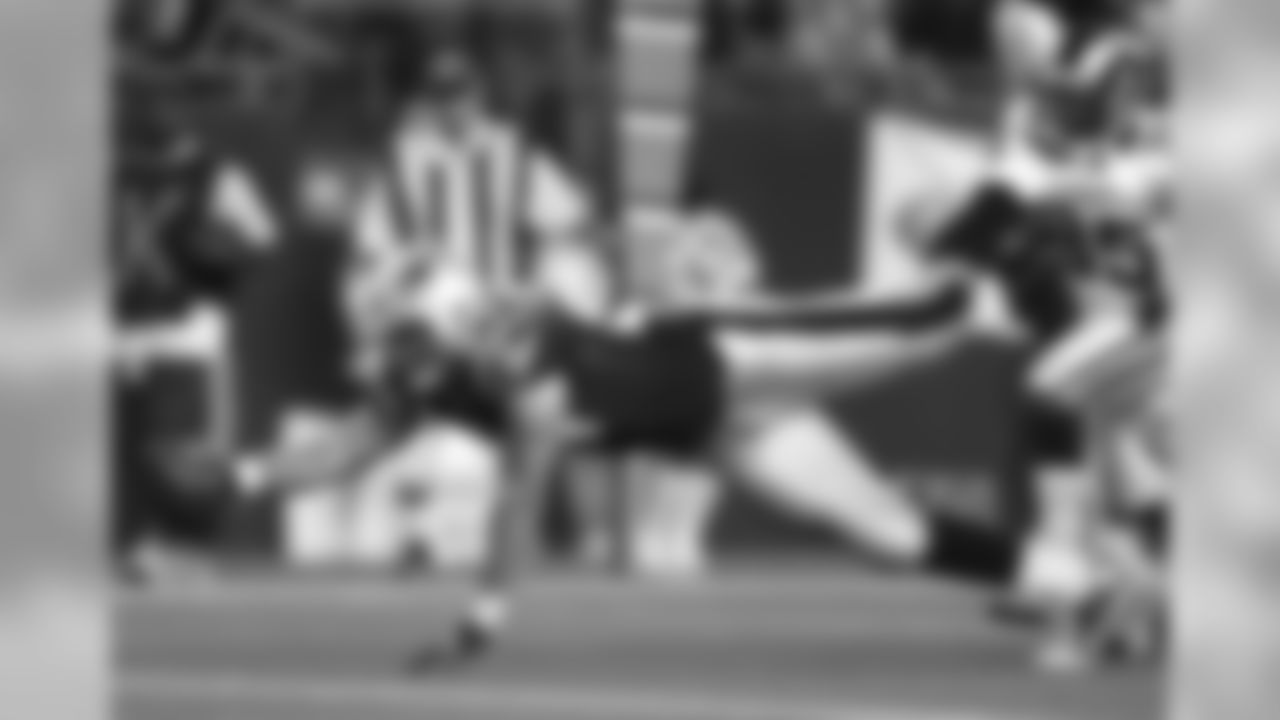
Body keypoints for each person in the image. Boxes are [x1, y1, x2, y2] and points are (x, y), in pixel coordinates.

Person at [444, 233, 1102, 660]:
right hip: (727, 430)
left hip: (741, 356)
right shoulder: (511, 388)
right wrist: (487, 614)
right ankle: (1082, 587)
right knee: (887, 534)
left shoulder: (552, 341)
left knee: (929, 321)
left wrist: (672, 274)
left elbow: (602, 277)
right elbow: (516, 501)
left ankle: (1023, 256)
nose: (493, 359)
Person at [113, 108, 278, 582]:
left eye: (167, 145)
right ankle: (149, 545)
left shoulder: (215, 175)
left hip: (184, 321)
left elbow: (262, 239)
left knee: (176, 446)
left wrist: (218, 254)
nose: (163, 156)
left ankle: (179, 546)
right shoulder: (121, 173)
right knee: (140, 446)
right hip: (132, 321)